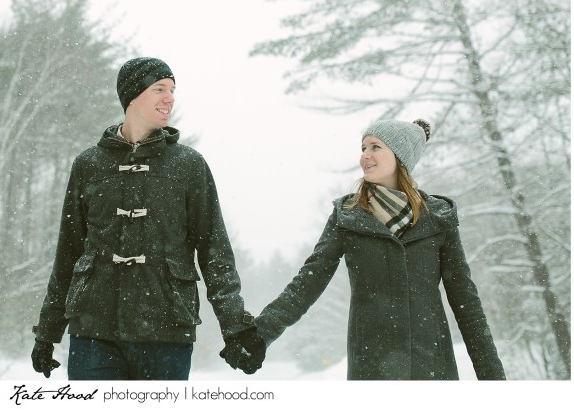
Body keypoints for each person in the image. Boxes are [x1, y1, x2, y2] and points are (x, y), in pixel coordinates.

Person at [31, 57, 265, 380]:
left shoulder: (189, 166)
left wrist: (236, 326)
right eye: (159, 89)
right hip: (94, 331)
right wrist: (48, 330)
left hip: (166, 331)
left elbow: (215, 253)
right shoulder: (89, 165)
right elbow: (68, 253)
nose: (169, 98)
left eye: (172, 90)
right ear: (132, 96)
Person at [251, 118, 506, 380]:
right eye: (363, 148)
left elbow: (466, 301)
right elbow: (309, 280)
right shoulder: (348, 217)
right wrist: (259, 334)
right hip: (371, 367)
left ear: (400, 157)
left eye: (375, 147)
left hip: (431, 366)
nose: (364, 156)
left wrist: (492, 377)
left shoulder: (437, 219)